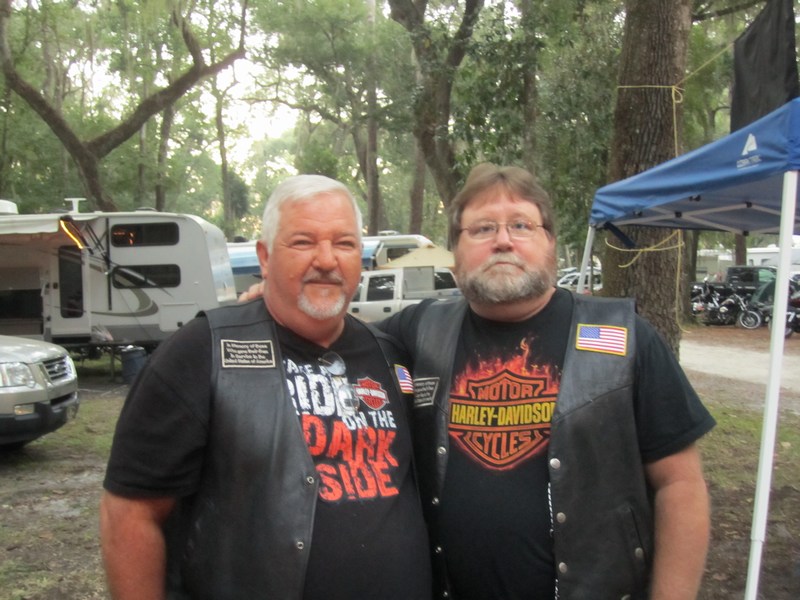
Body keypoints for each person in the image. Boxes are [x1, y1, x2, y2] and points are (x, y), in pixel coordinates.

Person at [378, 163, 716, 600]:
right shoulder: (419, 331)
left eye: (521, 225)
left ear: (550, 243)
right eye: (482, 229)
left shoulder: (624, 336)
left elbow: (681, 486)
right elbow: (333, 342)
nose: (503, 240)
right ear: (455, 251)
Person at [99, 174, 432, 600]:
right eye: (303, 242)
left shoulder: (389, 352)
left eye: (345, 243)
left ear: (361, 259)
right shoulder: (203, 352)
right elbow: (129, 513)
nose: (326, 259)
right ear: (265, 257)